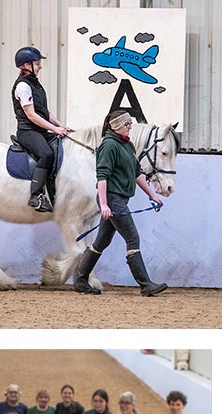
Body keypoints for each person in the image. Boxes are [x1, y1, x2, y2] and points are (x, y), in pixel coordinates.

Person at [72, 109, 167, 296]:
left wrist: (152, 195)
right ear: (116, 126)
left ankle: (81, 280)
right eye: (127, 124)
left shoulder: (127, 145)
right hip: (113, 199)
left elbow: (137, 173)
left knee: (101, 241)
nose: (130, 127)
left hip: (119, 199)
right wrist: (105, 204)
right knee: (132, 238)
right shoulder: (109, 146)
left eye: (130, 124)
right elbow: (102, 177)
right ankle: (145, 284)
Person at [11, 46, 72, 212]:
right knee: (46, 153)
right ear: (25, 65)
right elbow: (31, 115)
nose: (40, 66)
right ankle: (36, 196)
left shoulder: (35, 84)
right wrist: (54, 128)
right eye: (37, 63)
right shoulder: (22, 86)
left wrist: (61, 125)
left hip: (40, 130)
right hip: (28, 131)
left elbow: (44, 112)